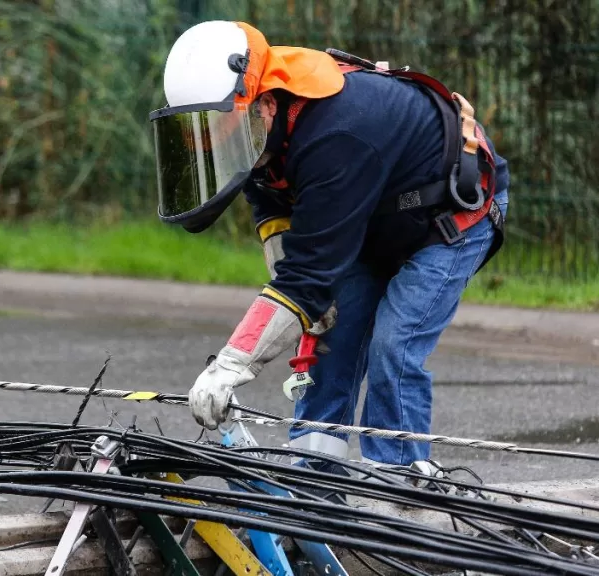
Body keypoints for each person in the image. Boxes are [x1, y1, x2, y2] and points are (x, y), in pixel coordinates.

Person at [150, 20, 509, 475]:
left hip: (452, 214)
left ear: (263, 104)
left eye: (228, 130)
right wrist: (308, 307)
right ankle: (315, 478)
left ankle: (399, 487)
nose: (222, 144)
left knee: (393, 347)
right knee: (327, 340)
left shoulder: (335, 134)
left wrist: (231, 366)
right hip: (374, 213)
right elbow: (274, 210)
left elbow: (305, 277)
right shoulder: (258, 128)